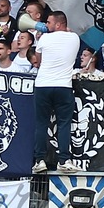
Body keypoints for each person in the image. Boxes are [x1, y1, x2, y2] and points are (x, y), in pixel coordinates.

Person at [33, 10, 81, 172]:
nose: (46, 25)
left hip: (43, 85)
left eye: (49, 22)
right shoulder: (74, 38)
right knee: (64, 124)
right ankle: (64, 160)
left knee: (41, 124)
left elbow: (38, 61)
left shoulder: (44, 38)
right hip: (63, 86)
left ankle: (40, 160)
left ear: (58, 24)